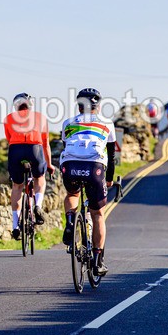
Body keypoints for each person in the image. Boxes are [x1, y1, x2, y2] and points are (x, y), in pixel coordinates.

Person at [60, 88, 116, 276]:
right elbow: (111, 154)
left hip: (70, 165)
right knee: (98, 214)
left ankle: (70, 220)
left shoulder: (67, 123)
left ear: (79, 105)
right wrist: (109, 180)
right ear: (98, 106)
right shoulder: (107, 123)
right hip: (95, 168)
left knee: (72, 194)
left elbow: (65, 145)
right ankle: (98, 262)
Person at [4, 93, 55, 240]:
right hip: (35, 149)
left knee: (17, 186)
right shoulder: (41, 118)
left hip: (16, 150)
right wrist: (50, 164)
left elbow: (9, 139)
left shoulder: (8, 118)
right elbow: (45, 144)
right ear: (31, 105)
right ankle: (37, 205)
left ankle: (15, 226)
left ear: (16, 105)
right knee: (39, 178)